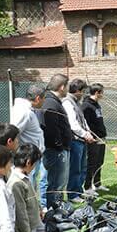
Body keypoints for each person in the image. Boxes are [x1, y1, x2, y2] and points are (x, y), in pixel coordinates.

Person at [7, 144, 45, 232]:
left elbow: (33, 196)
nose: (35, 167)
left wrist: (39, 208)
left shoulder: (25, 176)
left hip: (36, 220)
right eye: (35, 164)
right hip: (28, 224)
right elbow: (20, 210)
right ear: (29, 162)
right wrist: (25, 230)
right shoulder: (16, 183)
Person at [62, 78, 94, 203]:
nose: (84, 94)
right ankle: (72, 194)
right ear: (77, 91)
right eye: (83, 91)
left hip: (82, 140)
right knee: (75, 168)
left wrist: (89, 131)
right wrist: (85, 134)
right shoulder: (68, 102)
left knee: (82, 167)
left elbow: (82, 120)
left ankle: (78, 191)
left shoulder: (77, 102)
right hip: (75, 140)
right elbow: (73, 124)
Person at [42, 74, 71, 207]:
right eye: (67, 87)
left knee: (58, 182)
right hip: (55, 151)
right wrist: (59, 146)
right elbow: (50, 128)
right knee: (54, 182)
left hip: (58, 149)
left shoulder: (53, 101)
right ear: (62, 87)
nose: (67, 90)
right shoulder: (50, 103)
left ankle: (56, 207)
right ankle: (52, 210)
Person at [11, 84, 46, 192]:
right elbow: (13, 132)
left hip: (32, 156)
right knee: (27, 186)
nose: (44, 102)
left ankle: (33, 207)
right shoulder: (24, 112)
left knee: (32, 185)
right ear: (38, 98)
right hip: (27, 158)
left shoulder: (28, 110)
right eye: (43, 99)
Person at [81, 83, 108, 195]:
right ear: (97, 93)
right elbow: (85, 123)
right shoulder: (86, 106)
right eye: (102, 92)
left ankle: (97, 183)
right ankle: (88, 186)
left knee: (99, 162)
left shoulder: (96, 105)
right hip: (93, 138)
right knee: (92, 162)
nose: (103, 95)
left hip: (101, 137)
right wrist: (91, 136)